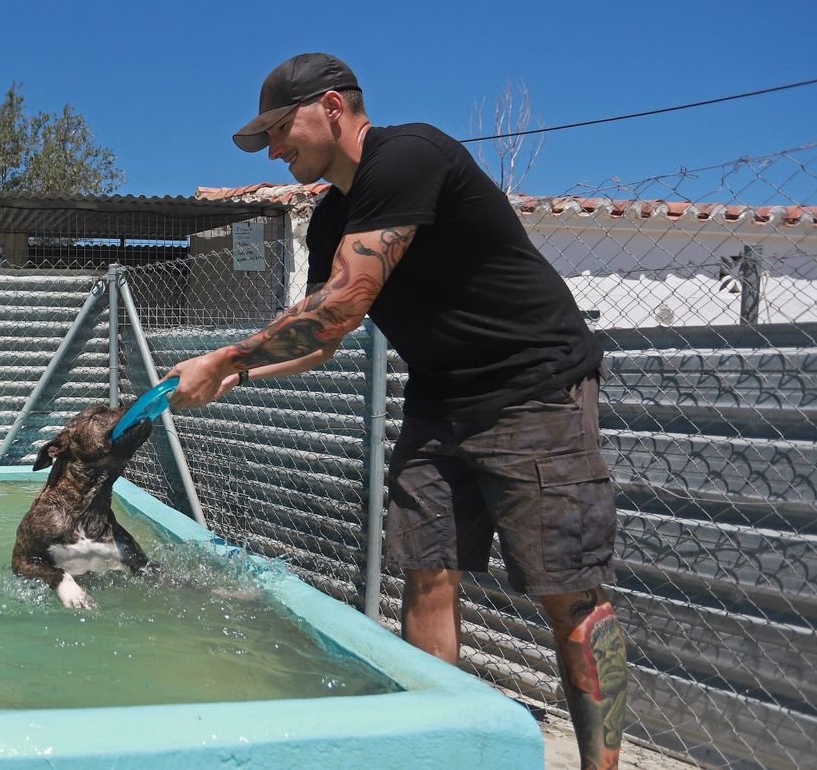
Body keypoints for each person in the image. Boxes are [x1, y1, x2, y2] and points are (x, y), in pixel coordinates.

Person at [165, 53, 628, 770]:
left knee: (567, 592)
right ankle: (442, 753)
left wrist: (226, 356)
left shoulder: (408, 155)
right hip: (440, 398)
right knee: (427, 572)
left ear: (331, 107)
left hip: (533, 384)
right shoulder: (331, 217)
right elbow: (323, 340)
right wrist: (240, 374)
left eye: (281, 129)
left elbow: (344, 303)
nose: (275, 149)